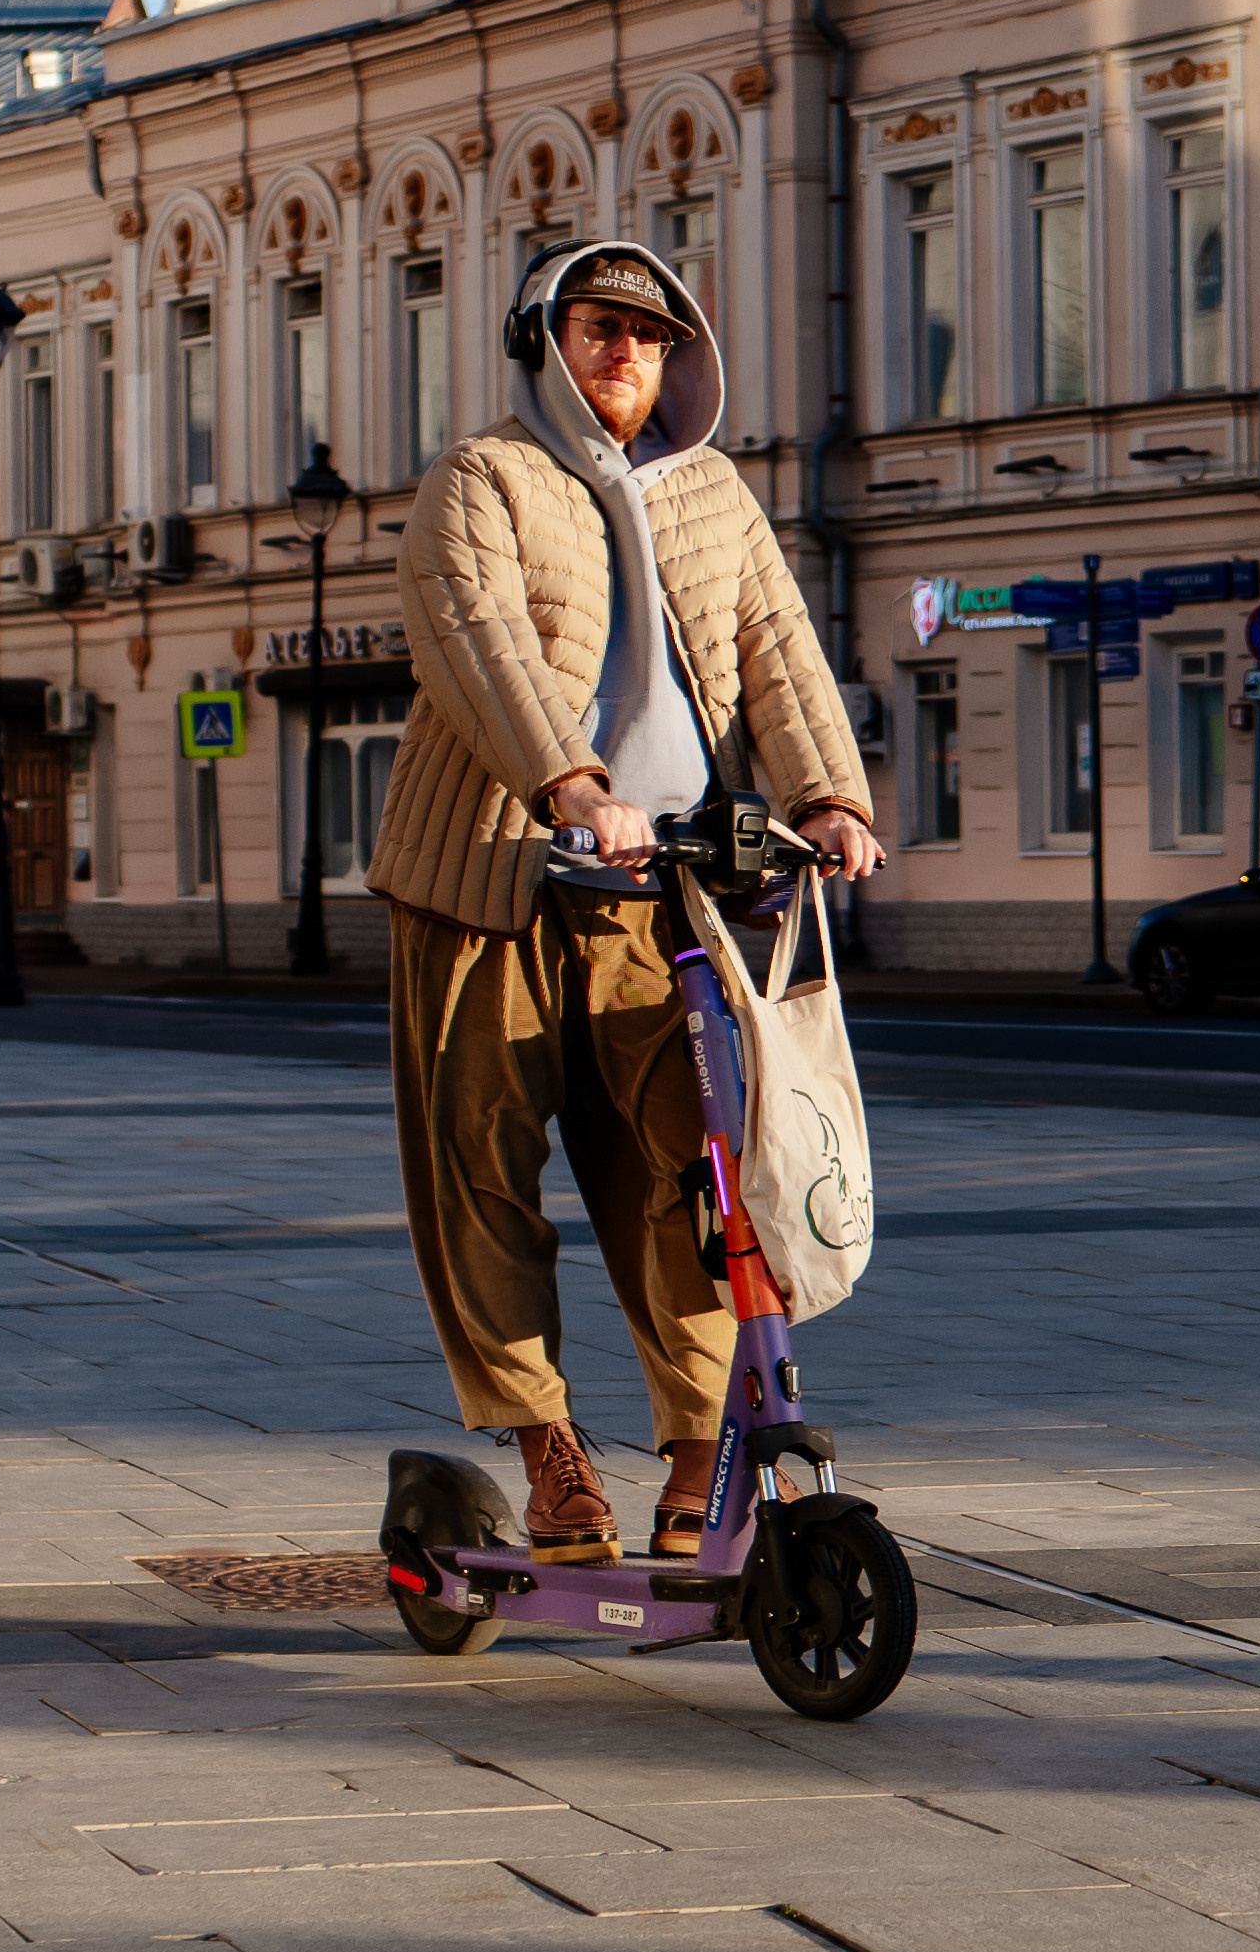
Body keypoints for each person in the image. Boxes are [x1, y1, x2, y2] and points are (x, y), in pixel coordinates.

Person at [369, 241, 880, 1565]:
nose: (622, 355)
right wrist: (567, 779)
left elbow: (776, 647)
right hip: (492, 875)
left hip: (665, 894)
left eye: (647, 337)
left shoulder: (715, 494)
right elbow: (470, 633)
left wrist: (830, 796)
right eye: (598, 329)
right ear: (549, 338)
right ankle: (547, 1452)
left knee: (687, 1179)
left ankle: (700, 1446)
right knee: (480, 1174)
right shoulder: (482, 477)